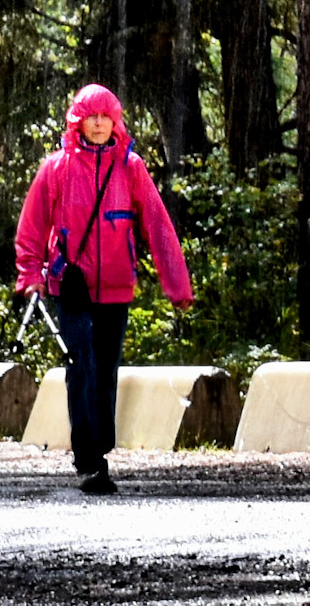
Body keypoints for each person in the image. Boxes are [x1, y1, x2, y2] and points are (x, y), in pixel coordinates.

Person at [13, 82, 192, 495]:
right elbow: (32, 228)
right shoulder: (56, 168)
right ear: (78, 120)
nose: (97, 123)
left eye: (104, 115)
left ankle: (99, 449)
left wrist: (176, 284)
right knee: (82, 366)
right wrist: (30, 277)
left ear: (115, 120)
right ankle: (89, 458)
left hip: (116, 286)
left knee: (106, 371)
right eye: (90, 115)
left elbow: (159, 229)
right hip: (70, 286)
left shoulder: (130, 167)